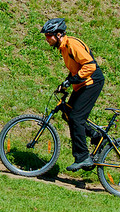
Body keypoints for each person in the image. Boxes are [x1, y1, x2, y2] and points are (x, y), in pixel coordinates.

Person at [40, 17, 105, 172]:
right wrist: (66, 82)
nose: (46, 39)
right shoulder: (64, 48)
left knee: (76, 117)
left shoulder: (72, 44)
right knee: (68, 114)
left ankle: (83, 157)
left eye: (49, 35)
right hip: (81, 84)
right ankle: (97, 137)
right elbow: (76, 68)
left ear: (59, 34)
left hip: (91, 83)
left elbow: (90, 66)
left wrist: (72, 80)